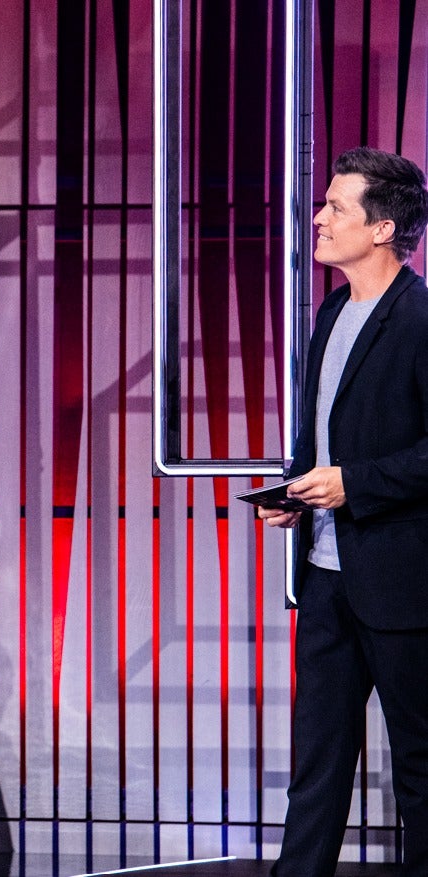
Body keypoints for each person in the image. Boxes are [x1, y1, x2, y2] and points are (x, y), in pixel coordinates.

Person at [261, 147, 428, 875]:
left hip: (402, 578)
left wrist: (353, 483)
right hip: (327, 575)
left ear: (383, 227)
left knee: (420, 766)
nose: (319, 218)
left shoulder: (421, 319)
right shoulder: (331, 309)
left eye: (336, 206)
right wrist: (299, 489)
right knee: (317, 761)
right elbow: (326, 428)